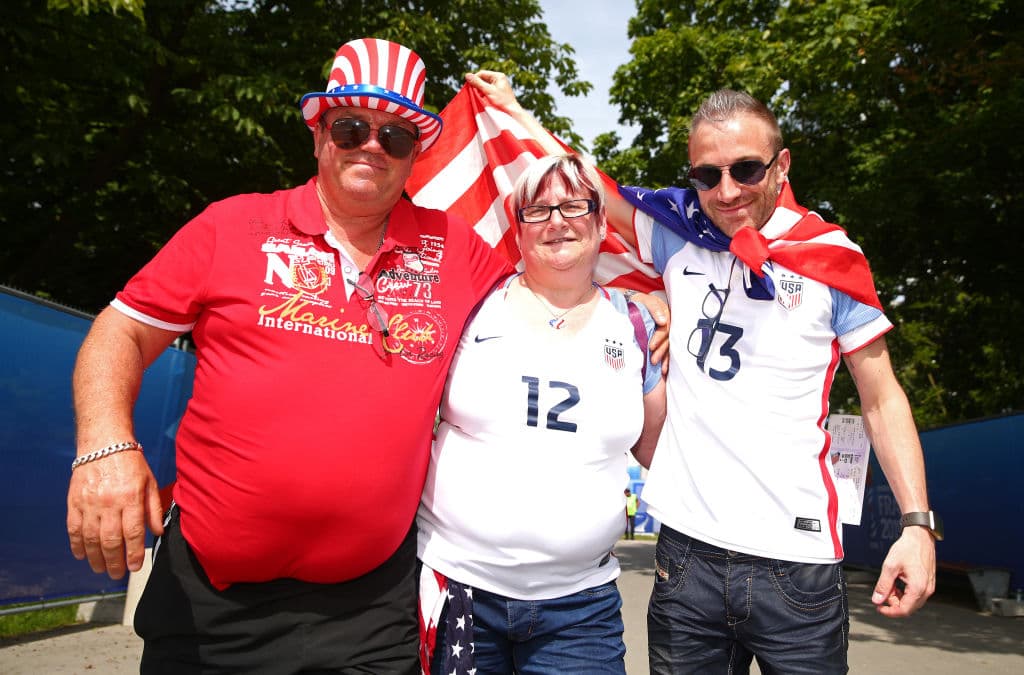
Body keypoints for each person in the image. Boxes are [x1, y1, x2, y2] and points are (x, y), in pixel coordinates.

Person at [65, 38, 519, 674]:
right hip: (212, 609)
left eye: (395, 137)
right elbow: (120, 331)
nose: (372, 146)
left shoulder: (455, 247)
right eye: (353, 127)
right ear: (318, 134)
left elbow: (560, 270)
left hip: (372, 611)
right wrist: (106, 442)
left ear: (415, 154)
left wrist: (651, 301)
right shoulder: (232, 225)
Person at [467, 72, 939, 674]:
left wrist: (917, 525)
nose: (727, 191)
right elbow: (584, 182)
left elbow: (881, 399)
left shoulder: (832, 258)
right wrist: (512, 109)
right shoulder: (676, 237)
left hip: (796, 561)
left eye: (746, 169)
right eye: (706, 175)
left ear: (781, 164)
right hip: (686, 558)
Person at [416, 153, 667, 674]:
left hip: (579, 610)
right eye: (538, 210)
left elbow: (663, 453)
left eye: (574, 206)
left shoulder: (638, 325)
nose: (557, 221)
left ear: (601, 225)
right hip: (459, 591)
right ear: (518, 227)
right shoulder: (469, 306)